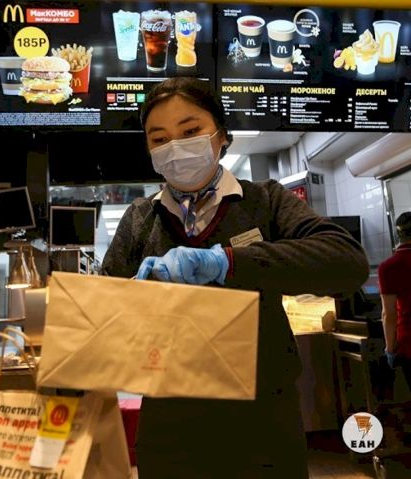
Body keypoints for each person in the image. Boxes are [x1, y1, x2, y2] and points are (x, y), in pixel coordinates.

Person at [101, 77, 369, 479]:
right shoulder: (140, 219)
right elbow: (103, 317)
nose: (175, 147)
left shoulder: (265, 200)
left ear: (222, 135)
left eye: (190, 131)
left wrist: (227, 261)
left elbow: (347, 262)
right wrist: (128, 304)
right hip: (170, 425)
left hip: (264, 420)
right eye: (160, 139)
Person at [379, 212, 411, 389]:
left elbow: (388, 315)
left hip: (408, 344)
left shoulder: (389, 267)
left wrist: (390, 349)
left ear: (398, 234)